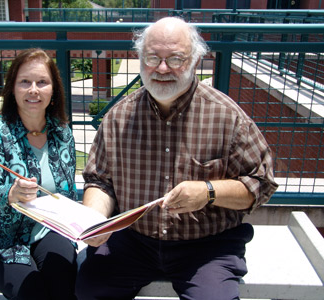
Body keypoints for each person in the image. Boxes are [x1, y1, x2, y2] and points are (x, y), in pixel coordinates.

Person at [75, 17, 278, 300]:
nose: (162, 68)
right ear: (140, 59)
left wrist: (208, 192)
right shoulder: (118, 117)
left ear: (195, 60)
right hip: (133, 240)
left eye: (175, 59)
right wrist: (95, 220)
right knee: (89, 291)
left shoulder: (228, 117)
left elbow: (260, 185)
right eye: (152, 57)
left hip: (207, 246)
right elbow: (100, 181)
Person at [0, 48, 78, 300]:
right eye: (24, 82)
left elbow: (66, 192)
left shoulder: (62, 133)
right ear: (12, 88)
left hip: (47, 229)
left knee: (66, 285)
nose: (33, 90)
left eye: (42, 82)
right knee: (34, 293)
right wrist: (11, 194)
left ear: (54, 89)